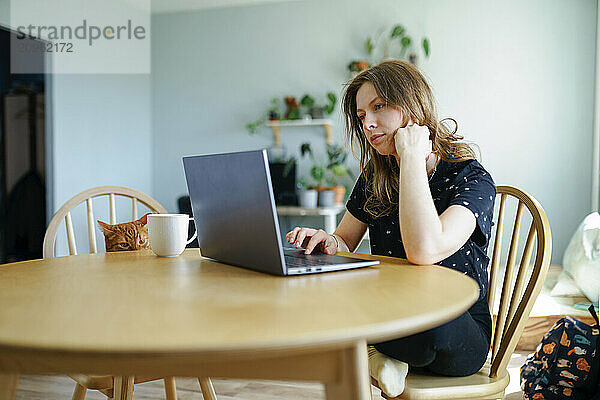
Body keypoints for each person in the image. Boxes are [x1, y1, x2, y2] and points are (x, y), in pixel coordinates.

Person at [286, 60, 495, 398]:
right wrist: (327, 240)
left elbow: (425, 249)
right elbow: (345, 240)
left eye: (378, 107)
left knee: (430, 326)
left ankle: (373, 353)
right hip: (391, 313)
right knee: (320, 292)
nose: (368, 123)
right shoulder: (374, 176)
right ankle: (381, 355)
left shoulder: (470, 178)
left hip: (456, 328)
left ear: (413, 104)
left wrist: (411, 156)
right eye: (361, 115)